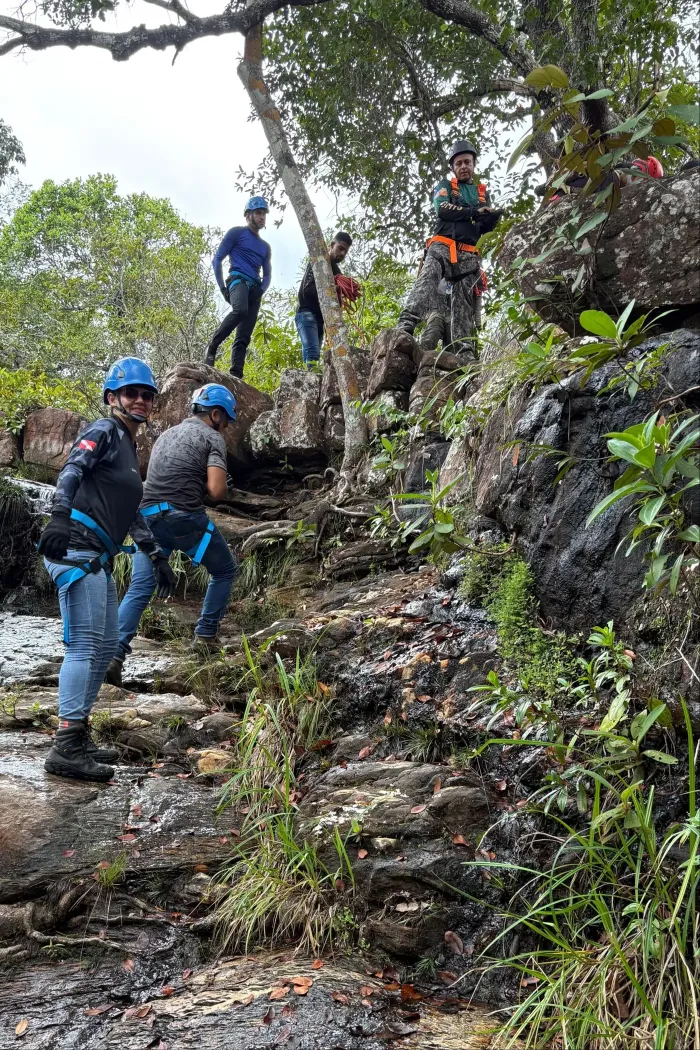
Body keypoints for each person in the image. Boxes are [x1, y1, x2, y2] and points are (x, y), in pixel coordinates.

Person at [39, 358, 176, 783]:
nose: (140, 400)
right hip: (75, 549)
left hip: (97, 555)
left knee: (104, 647)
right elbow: (72, 469)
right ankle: (66, 744)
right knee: (84, 645)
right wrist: (59, 514)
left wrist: (155, 554)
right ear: (112, 397)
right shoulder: (102, 430)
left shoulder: (128, 448)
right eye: (131, 393)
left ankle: (77, 735)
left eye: (147, 394)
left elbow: (129, 509)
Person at [105, 383, 238, 688]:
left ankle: (113, 655)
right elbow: (217, 491)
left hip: (148, 520)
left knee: (141, 587)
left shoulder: (166, 435)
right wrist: (218, 485)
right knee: (225, 570)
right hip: (184, 518)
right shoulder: (212, 438)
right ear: (215, 414)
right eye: (226, 421)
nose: (226, 428)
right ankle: (205, 637)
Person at [396, 139, 502, 356]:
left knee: (464, 302)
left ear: (474, 164)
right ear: (453, 167)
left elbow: (482, 229)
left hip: (469, 254)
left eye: (467, 162)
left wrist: (491, 220)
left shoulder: (482, 194)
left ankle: (464, 352)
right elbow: (442, 209)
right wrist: (474, 212)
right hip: (443, 246)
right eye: (459, 163)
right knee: (427, 281)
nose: (464, 166)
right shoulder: (445, 186)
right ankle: (405, 326)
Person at [205, 197, 272, 377]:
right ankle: (212, 346)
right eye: (258, 213)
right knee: (240, 310)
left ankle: (236, 375)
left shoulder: (265, 247)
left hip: (255, 288)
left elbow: (267, 275)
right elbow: (217, 260)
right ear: (248, 215)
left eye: (264, 214)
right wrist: (222, 288)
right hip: (237, 280)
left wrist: (261, 290)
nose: (262, 217)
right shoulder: (236, 233)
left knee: (244, 335)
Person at [295, 232, 354, 370]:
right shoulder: (318, 260)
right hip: (306, 313)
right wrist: (332, 288)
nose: (342, 253)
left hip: (321, 319)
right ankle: (312, 378)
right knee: (312, 352)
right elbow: (306, 291)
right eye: (340, 248)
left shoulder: (337, 272)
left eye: (345, 251)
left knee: (313, 353)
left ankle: (311, 376)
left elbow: (336, 301)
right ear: (332, 245)